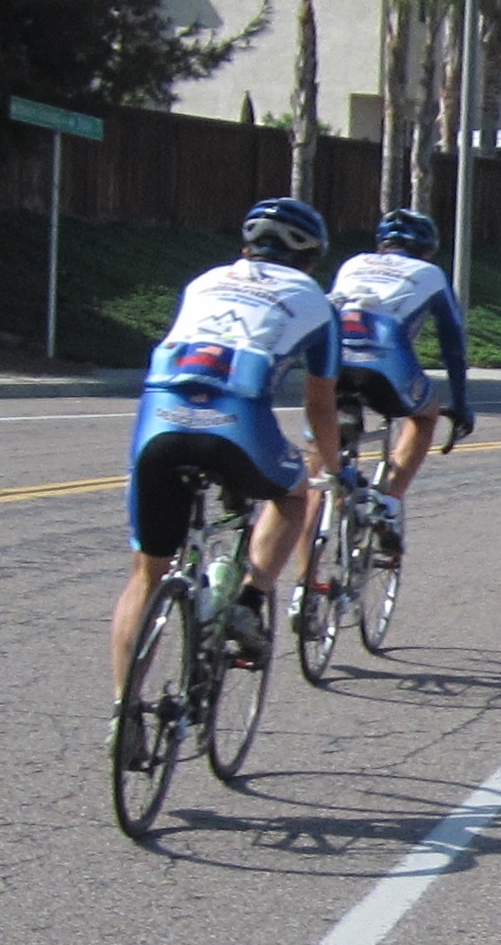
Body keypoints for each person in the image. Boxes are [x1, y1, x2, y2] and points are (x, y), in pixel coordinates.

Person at [111, 198, 345, 695]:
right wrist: (333, 469)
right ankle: (249, 601)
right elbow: (320, 406)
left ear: (246, 248)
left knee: (146, 575)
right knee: (295, 493)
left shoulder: (205, 281)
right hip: (237, 421)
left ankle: (123, 711)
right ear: (310, 260)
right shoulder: (317, 302)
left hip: (159, 419)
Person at [326, 208, 475, 555]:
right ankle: (388, 503)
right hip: (386, 358)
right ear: (427, 250)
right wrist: (460, 403)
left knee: (323, 451)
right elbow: (453, 345)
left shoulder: (352, 263)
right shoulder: (431, 274)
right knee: (425, 415)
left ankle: (313, 564)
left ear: (381, 244)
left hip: (334, 358)